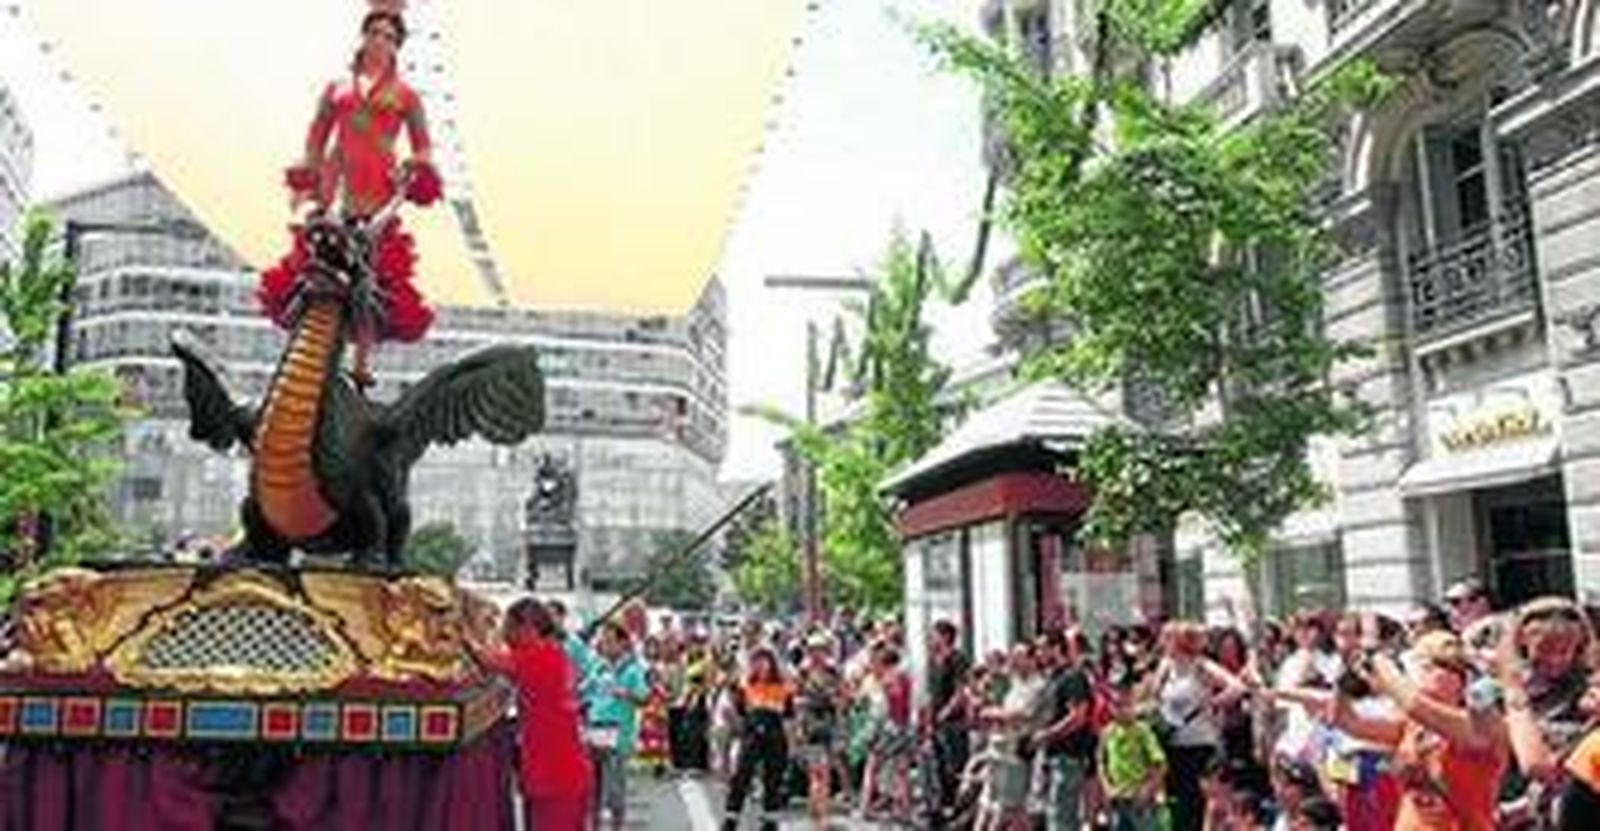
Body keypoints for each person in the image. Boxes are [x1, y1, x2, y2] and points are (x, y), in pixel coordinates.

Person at [261, 2, 441, 387]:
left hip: (379, 193)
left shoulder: (407, 96)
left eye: (389, 37)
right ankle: (303, 344)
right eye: (374, 33)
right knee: (312, 268)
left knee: (368, 275)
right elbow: (316, 136)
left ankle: (360, 363)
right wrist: (306, 179)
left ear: (397, 46)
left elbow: (423, 146)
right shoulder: (337, 88)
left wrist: (415, 167)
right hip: (334, 187)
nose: (380, 41)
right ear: (363, 37)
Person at [1324, 630, 1507, 831]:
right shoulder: (1413, 726)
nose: (1419, 674)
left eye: (1430, 667)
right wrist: (1343, 683)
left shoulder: (1476, 726)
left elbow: (1414, 705)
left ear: (1458, 678)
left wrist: (1377, 659)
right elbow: (1345, 721)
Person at [470, 599, 590, 831]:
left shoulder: (538, 657)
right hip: (557, 773)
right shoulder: (551, 654)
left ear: (526, 628)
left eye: (507, 627)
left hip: (556, 777)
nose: (505, 635)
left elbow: (486, 660)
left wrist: (462, 633)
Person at [1494, 597, 1596, 828]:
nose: (1555, 659)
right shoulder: (1501, 691)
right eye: (1544, 649)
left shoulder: (1588, 692)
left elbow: (1562, 767)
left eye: (1565, 650)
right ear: (1522, 642)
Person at [1147, 621, 1250, 831]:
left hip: (1200, 745)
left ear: (1180, 642)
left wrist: (1213, 703)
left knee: (1199, 803)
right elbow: (1154, 696)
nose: (1162, 643)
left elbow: (1237, 687)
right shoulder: (1166, 666)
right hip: (1172, 743)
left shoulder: (1201, 665)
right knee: (1177, 804)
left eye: (1168, 638)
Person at [721, 647, 794, 831]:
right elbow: (738, 713)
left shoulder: (783, 688)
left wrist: (791, 744)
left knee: (773, 778)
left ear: (771, 664)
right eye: (756, 662)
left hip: (775, 737)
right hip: (752, 736)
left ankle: (770, 820)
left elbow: (789, 718)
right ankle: (731, 817)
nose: (760, 666)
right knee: (742, 775)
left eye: (764, 661)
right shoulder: (746, 686)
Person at [585, 621, 648, 831]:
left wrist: (625, 694)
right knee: (592, 788)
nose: (605, 645)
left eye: (610, 641)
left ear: (622, 643)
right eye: (603, 641)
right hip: (595, 731)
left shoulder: (632, 669)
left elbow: (643, 698)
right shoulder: (598, 666)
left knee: (615, 791)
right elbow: (584, 690)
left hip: (617, 735)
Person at [1034, 630, 1096, 831]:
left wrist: (1047, 734)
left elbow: (1078, 716)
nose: (1038, 653)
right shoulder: (1053, 678)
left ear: (1056, 648)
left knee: (1061, 819)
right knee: (1055, 815)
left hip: (1069, 757)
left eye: (1042, 648)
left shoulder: (1073, 677)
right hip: (1053, 756)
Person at [1099, 681, 1167, 831]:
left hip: (1139, 797)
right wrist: (1107, 787)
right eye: (1117, 705)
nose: (1122, 710)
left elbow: (1160, 764)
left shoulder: (1142, 731)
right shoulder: (1108, 732)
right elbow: (1101, 761)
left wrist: (1148, 789)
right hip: (1118, 797)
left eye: (1127, 705)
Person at [795, 633, 845, 826]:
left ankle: (817, 813)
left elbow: (842, 698)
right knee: (818, 773)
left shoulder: (833, 671)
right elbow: (796, 701)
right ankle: (820, 817)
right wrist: (799, 727)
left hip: (829, 725)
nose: (818, 654)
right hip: (811, 726)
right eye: (815, 650)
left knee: (823, 774)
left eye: (822, 649)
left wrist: (838, 709)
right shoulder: (803, 672)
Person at [927, 619, 973, 823]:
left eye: (934, 634)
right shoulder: (934, 659)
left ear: (946, 636)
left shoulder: (957, 659)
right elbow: (932, 692)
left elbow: (961, 690)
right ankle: (943, 806)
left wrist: (946, 712)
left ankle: (960, 809)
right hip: (937, 721)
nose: (931, 638)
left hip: (953, 722)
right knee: (940, 766)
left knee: (956, 764)